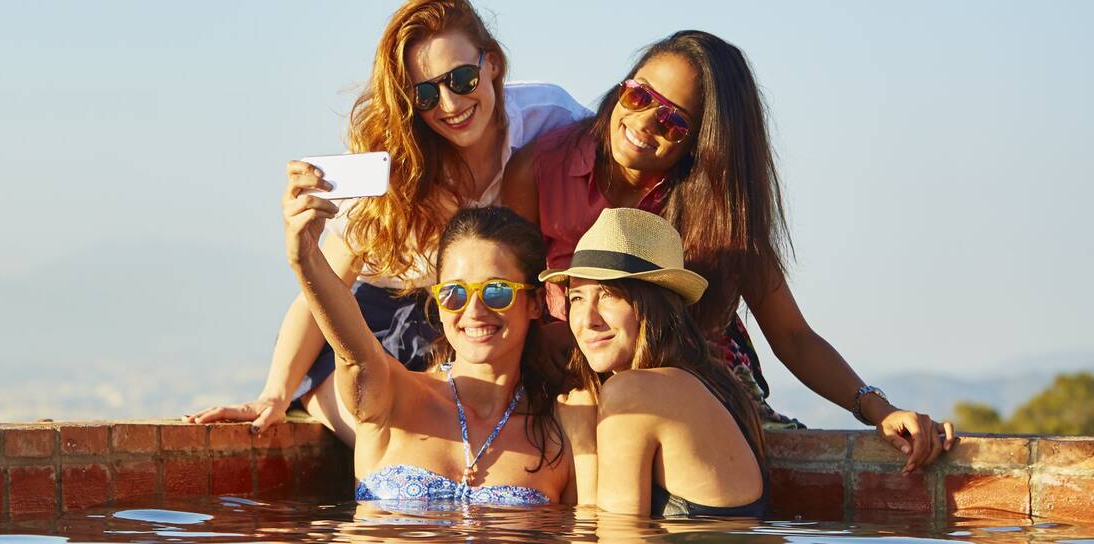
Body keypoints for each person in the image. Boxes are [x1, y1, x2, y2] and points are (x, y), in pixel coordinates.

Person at [503, 30, 956, 475]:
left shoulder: (720, 213)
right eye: (639, 95)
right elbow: (511, 291)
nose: (643, 123)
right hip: (565, 383)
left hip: (689, 387)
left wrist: (878, 409)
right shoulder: (541, 168)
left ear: (701, 143)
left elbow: (793, 336)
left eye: (673, 122)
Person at [186, 0, 588, 445]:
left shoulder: (553, 119)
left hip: (489, 317)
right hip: (373, 326)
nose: (450, 104)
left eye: (461, 79)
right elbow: (325, 286)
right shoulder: (393, 165)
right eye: (426, 94)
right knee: (406, 449)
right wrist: (274, 394)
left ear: (491, 62)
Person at [284, 202, 585, 505]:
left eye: (497, 291)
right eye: (454, 293)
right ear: (439, 305)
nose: (474, 310)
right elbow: (355, 355)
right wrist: (306, 259)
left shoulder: (562, 434)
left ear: (535, 303)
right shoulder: (393, 398)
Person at [542, 207, 767, 517]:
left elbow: (613, 534)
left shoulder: (633, 391)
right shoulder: (708, 383)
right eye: (577, 298)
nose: (588, 319)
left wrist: (582, 441)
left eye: (609, 294)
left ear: (655, 305)